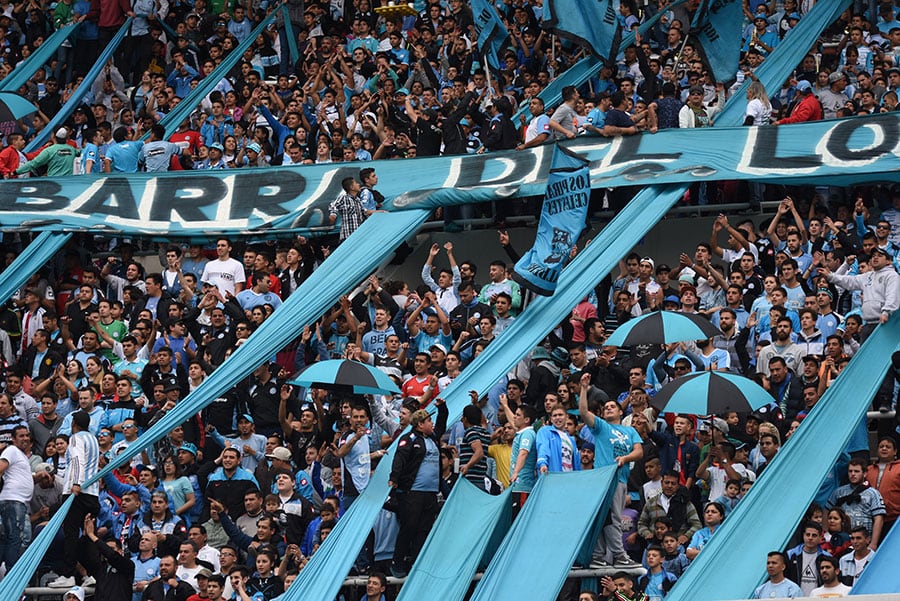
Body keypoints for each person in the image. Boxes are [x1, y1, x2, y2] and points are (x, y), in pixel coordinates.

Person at [579, 373, 642, 568]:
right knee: (606, 517)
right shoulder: (602, 427)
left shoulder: (630, 431)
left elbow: (638, 452)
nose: (608, 409)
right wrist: (583, 388)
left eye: (612, 406)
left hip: (620, 480)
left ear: (621, 412)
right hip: (604, 479)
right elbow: (583, 412)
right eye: (605, 407)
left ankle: (600, 555)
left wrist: (625, 458)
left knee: (610, 518)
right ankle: (617, 555)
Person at [387, 401, 448, 578]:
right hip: (413, 492)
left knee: (424, 528)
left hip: (430, 493)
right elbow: (400, 458)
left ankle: (417, 562)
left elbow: (442, 424)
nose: (432, 424)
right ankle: (397, 562)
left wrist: (442, 409)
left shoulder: (433, 438)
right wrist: (394, 478)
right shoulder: (409, 439)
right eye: (429, 421)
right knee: (409, 526)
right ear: (420, 424)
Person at [48, 410, 101, 588]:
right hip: (92, 493)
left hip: (77, 492)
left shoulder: (76, 438)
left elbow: (78, 461)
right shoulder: (93, 439)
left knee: (70, 534)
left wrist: (76, 483)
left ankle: (69, 574)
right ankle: (90, 573)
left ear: (74, 424)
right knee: (88, 534)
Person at [0, 425, 38, 570]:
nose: (25, 438)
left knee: (6, 539)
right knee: (15, 539)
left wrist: (37, 477)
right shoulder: (12, 450)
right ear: (13, 439)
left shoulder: (20, 455)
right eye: (21, 436)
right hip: (12, 501)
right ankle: (11, 575)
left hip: (14, 501)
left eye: (27, 435)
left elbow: (19, 477)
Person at [826, 458, 886, 549]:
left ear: (865, 473)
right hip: (841, 541)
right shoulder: (839, 492)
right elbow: (826, 510)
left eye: (856, 471)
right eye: (850, 471)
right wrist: (826, 534)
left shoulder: (873, 494)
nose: (853, 474)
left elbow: (879, 519)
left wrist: (873, 543)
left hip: (863, 542)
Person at [81, 512, 136, 601]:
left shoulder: (127, 565)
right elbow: (81, 555)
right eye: (105, 548)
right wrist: (85, 534)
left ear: (120, 551)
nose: (106, 551)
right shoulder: (100, 567)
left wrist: (92, 535)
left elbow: (112, 555)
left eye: (111, 548)